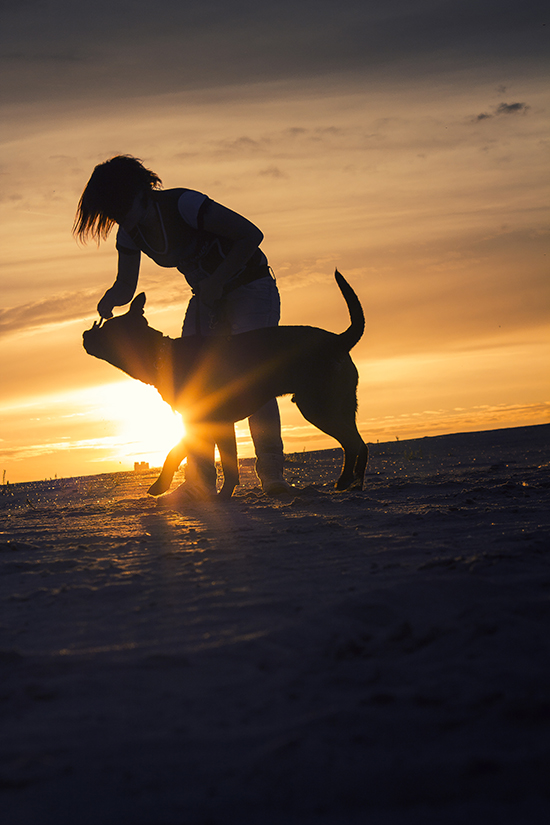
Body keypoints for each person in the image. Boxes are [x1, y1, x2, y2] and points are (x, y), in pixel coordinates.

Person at [74, 154, 291, 497]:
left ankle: (272, 473)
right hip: (206, 297)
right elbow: (125, 286)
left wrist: (218, 280)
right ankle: (200, 482)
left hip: (251, 287)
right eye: (112, 215)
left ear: (139, 192)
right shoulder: (130, 235)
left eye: (119, 208)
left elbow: (251, 235)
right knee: (190, 386)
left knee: (255, 378)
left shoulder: (185, 204)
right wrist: (110, 299)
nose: (119, 220)